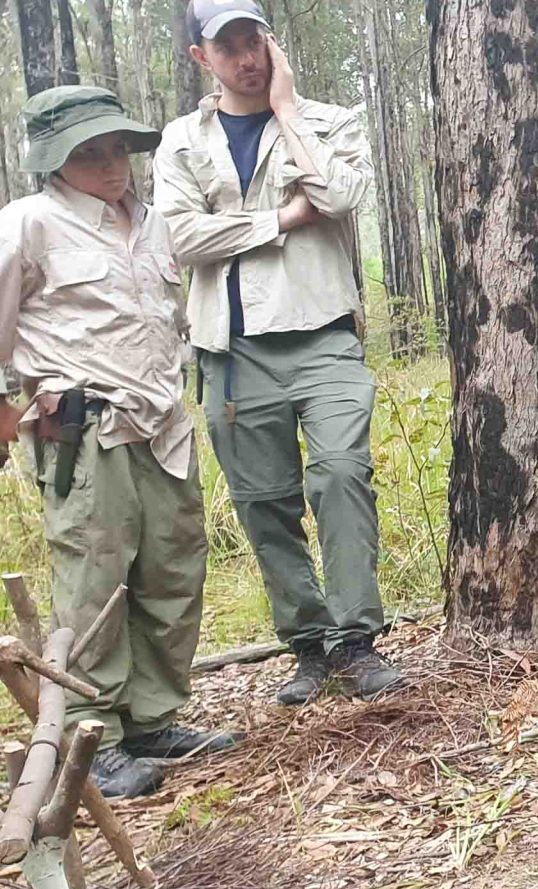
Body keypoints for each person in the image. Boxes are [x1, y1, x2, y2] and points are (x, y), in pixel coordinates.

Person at [155, 0, 404, 706]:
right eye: (227, 45)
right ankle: (307, 646)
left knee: (340, 475)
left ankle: (356, 642)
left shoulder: (327, 121)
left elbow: (343, 193)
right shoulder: (182, 140)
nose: (245, 57)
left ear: (272, 43)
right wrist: (282, 219)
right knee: (264, 503)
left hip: (323, 333)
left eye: (253, 40)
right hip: (231, 351)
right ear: (201, 56)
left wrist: (290, 117)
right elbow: (180, 240)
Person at [0, 86, 240, 798]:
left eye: (118, 150)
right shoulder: (28, 224)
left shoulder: (155, 226)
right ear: (55, 163)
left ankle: (152, 716)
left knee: (173, 566)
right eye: (89, 153)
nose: (111, 166)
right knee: (96, 577)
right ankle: (87, 726)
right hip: (85, 426)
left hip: (162, 422)